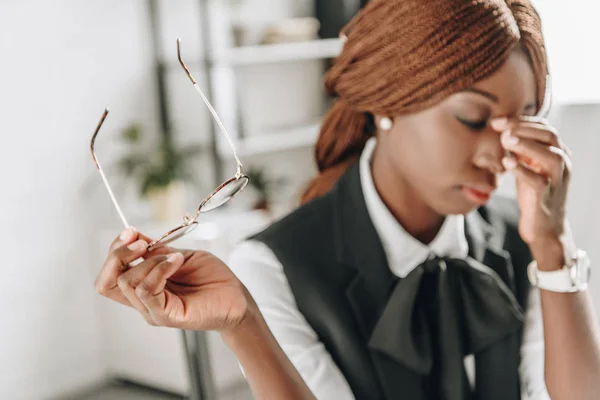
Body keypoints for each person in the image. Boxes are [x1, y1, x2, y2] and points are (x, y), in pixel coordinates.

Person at [94, 0, 600, 399]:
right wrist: (245, 325)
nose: (499, 154)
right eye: (472, 118)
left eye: (521, 122)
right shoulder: (274, 266)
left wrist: (554, 247)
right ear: (387, 102)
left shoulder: (523, 237)